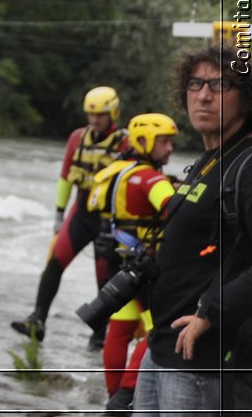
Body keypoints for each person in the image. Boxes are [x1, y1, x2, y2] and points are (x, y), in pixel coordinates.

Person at [134, 43, 252, 416]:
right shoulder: (210, 159)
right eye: (195, 84)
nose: (204, 95)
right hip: (163, 349)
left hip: (206, 358)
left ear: (247, 98)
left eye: (220, 86)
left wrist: (210, 313)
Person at [10, 85, 129, 346]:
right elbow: (66, 177)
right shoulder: (77, 137)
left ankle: (99, 337)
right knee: (54, 263)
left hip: (109, 220)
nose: (95, 120)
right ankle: (37, 320)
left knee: (104, 277)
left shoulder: (126, 142)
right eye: (91, 115)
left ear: (113, 114)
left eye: (100, 115)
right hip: (81, 213)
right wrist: (59, 214)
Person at [84, 112, 178, 413]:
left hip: (115, 261)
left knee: (120, 329)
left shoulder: (114, 170)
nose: (170, 149)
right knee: (158, 330)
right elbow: (176, 209)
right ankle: (125, 395)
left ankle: (114, 397)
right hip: (144, 267)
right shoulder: (152, 178)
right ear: (143, 141)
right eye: (164, 142)